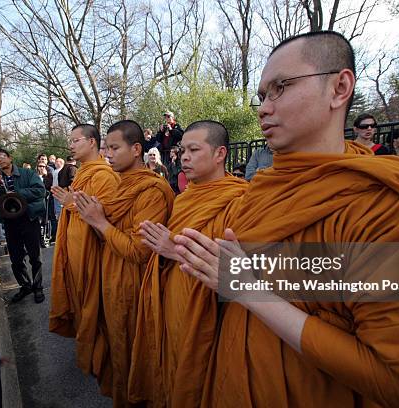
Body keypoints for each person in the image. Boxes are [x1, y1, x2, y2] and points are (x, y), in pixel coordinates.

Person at [171, 31, 399, 407]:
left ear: (339, 88)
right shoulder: (262, 190)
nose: (264, 107)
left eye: (281, 87)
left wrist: (249, 290)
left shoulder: (384, 208)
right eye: (262, 96)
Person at [128, 120, 249, 407]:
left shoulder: (240, 199)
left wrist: (174, 250)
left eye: (194, 150)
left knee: (199, 383)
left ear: (220, 154)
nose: (184, 157)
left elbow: (239, 274)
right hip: (174, 301)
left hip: (209, 314)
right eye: (183, 150)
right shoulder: (185, 199)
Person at [73, 120, 175, 406]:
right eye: (106, 148)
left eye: (115, 148)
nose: (108, 154)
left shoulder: (151, 190)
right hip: (112, 279)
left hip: (136, 288)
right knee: (119, 351)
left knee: (137, 355)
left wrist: (99, 222)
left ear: (137, 149)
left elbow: (138, 251)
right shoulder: (119, 185)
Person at [49, 124, 121, 391]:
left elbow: (106, 218)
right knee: (83, 307)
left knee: (97, 311)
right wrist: (71, 202)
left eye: (75, 140)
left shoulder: (105, 176)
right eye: (70, 140)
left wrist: (71, 203)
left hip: (94, 257)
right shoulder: (82, 174)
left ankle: (104, 363)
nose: (70, 145)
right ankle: (91, 356)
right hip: (77, 256)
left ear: (92, 142)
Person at [0, 148, 47, 304]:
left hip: (29, 218)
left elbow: (40, 191)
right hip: (10, 222)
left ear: (10, 158)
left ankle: (38, 286)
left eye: (1, 156)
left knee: (35, 256)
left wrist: (17, 194)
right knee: (16, 258)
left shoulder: (27, 174)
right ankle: (25, 285)